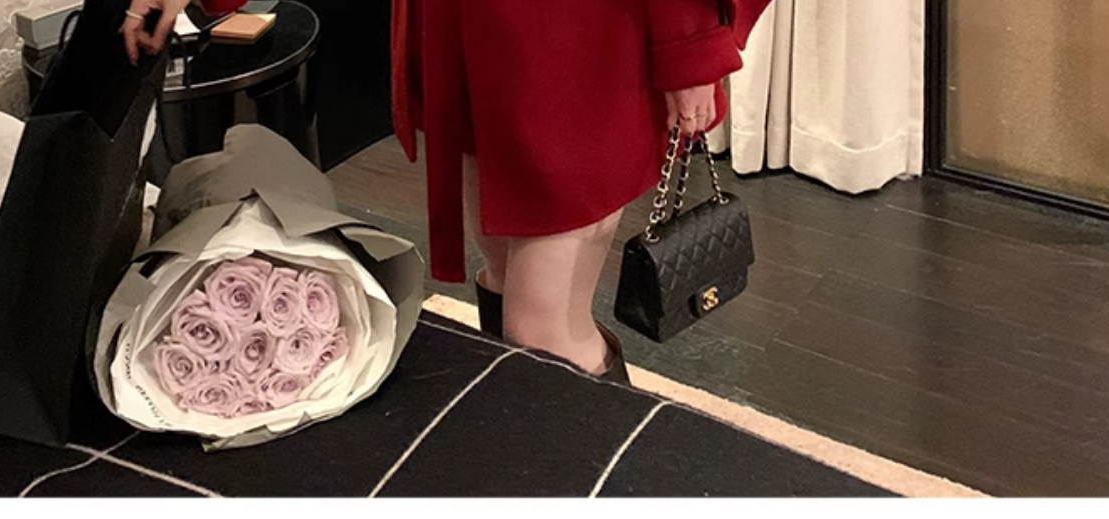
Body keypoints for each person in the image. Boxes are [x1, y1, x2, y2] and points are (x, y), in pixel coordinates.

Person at [123, 0, 770, 386]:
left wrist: (693, 45)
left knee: (540, 329)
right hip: (479, 44)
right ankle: (535, 457)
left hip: (580, 50)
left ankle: (584, 473)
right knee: (504, 282)